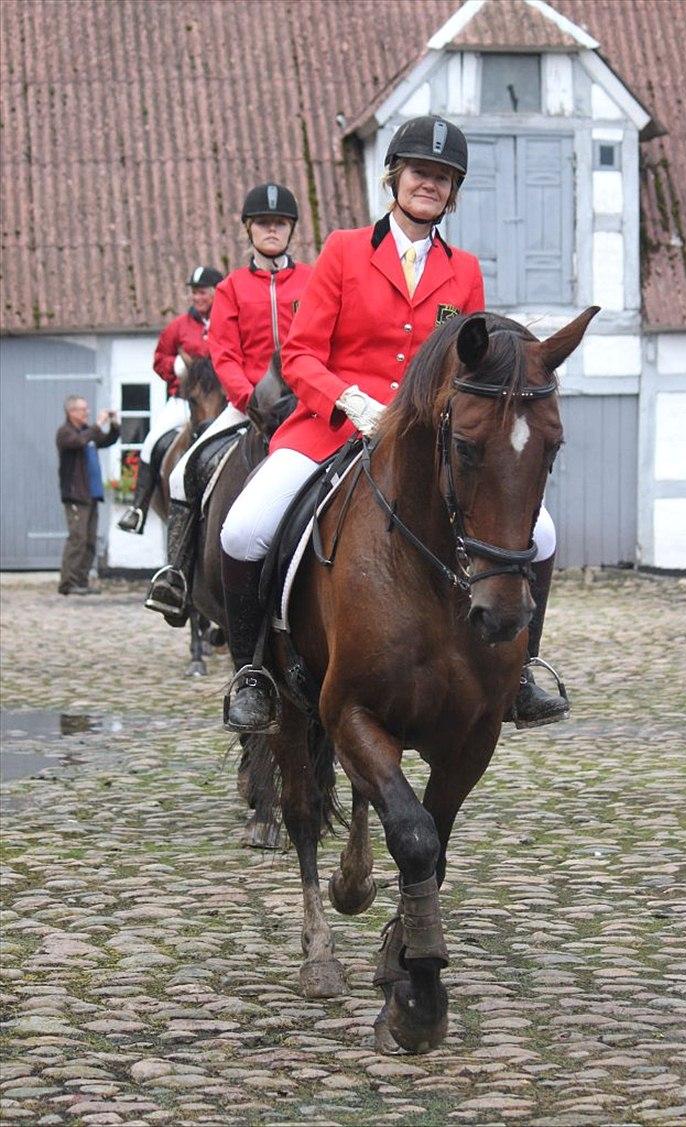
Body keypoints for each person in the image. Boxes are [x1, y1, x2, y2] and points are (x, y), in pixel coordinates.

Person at [218, 116, 569, 735]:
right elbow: (299, 355)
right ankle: (253, 673)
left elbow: (473, 363)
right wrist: (349, 402)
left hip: (427, 446)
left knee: (539, 535)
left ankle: (520, 673)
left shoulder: (464, 271)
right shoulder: (344, 251)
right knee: (244, 531)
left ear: (453, 192)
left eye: (442, 177)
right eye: (419, 172)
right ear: (395, 178)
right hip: (332, 427)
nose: (429, 184)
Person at [144, 184, 314, 625]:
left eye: (279, 223)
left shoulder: (312, 281)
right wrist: (249, 399)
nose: (272, 230)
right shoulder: (232, 288)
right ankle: (177, 577)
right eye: (263, 223)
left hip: (307, 403)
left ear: (291, 229)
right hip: (249, 406)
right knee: (183, 472)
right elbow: (223, 353)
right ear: (249, 229)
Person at [117, 265, 224, 534]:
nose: (196, 298)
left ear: (216, 293)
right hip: (184, 400)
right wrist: (176, 365)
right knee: (151, 442)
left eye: (202, 292)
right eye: (194, 293)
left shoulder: (230, 323)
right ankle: (138, 509)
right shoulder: (178, 326)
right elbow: (158, 360)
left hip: (224, 401)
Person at [56, 396, 120, 595]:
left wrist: (114, 425)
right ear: (71, 412)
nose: (87, 412)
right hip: (76, 495)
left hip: (91, 494)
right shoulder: (65, 433)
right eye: (83, 409)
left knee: (90, 540)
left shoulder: (86, 432)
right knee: (77, 538)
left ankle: (81, 581)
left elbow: (106, 440)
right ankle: (68, 583)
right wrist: (99, 424)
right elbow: (79, 442)